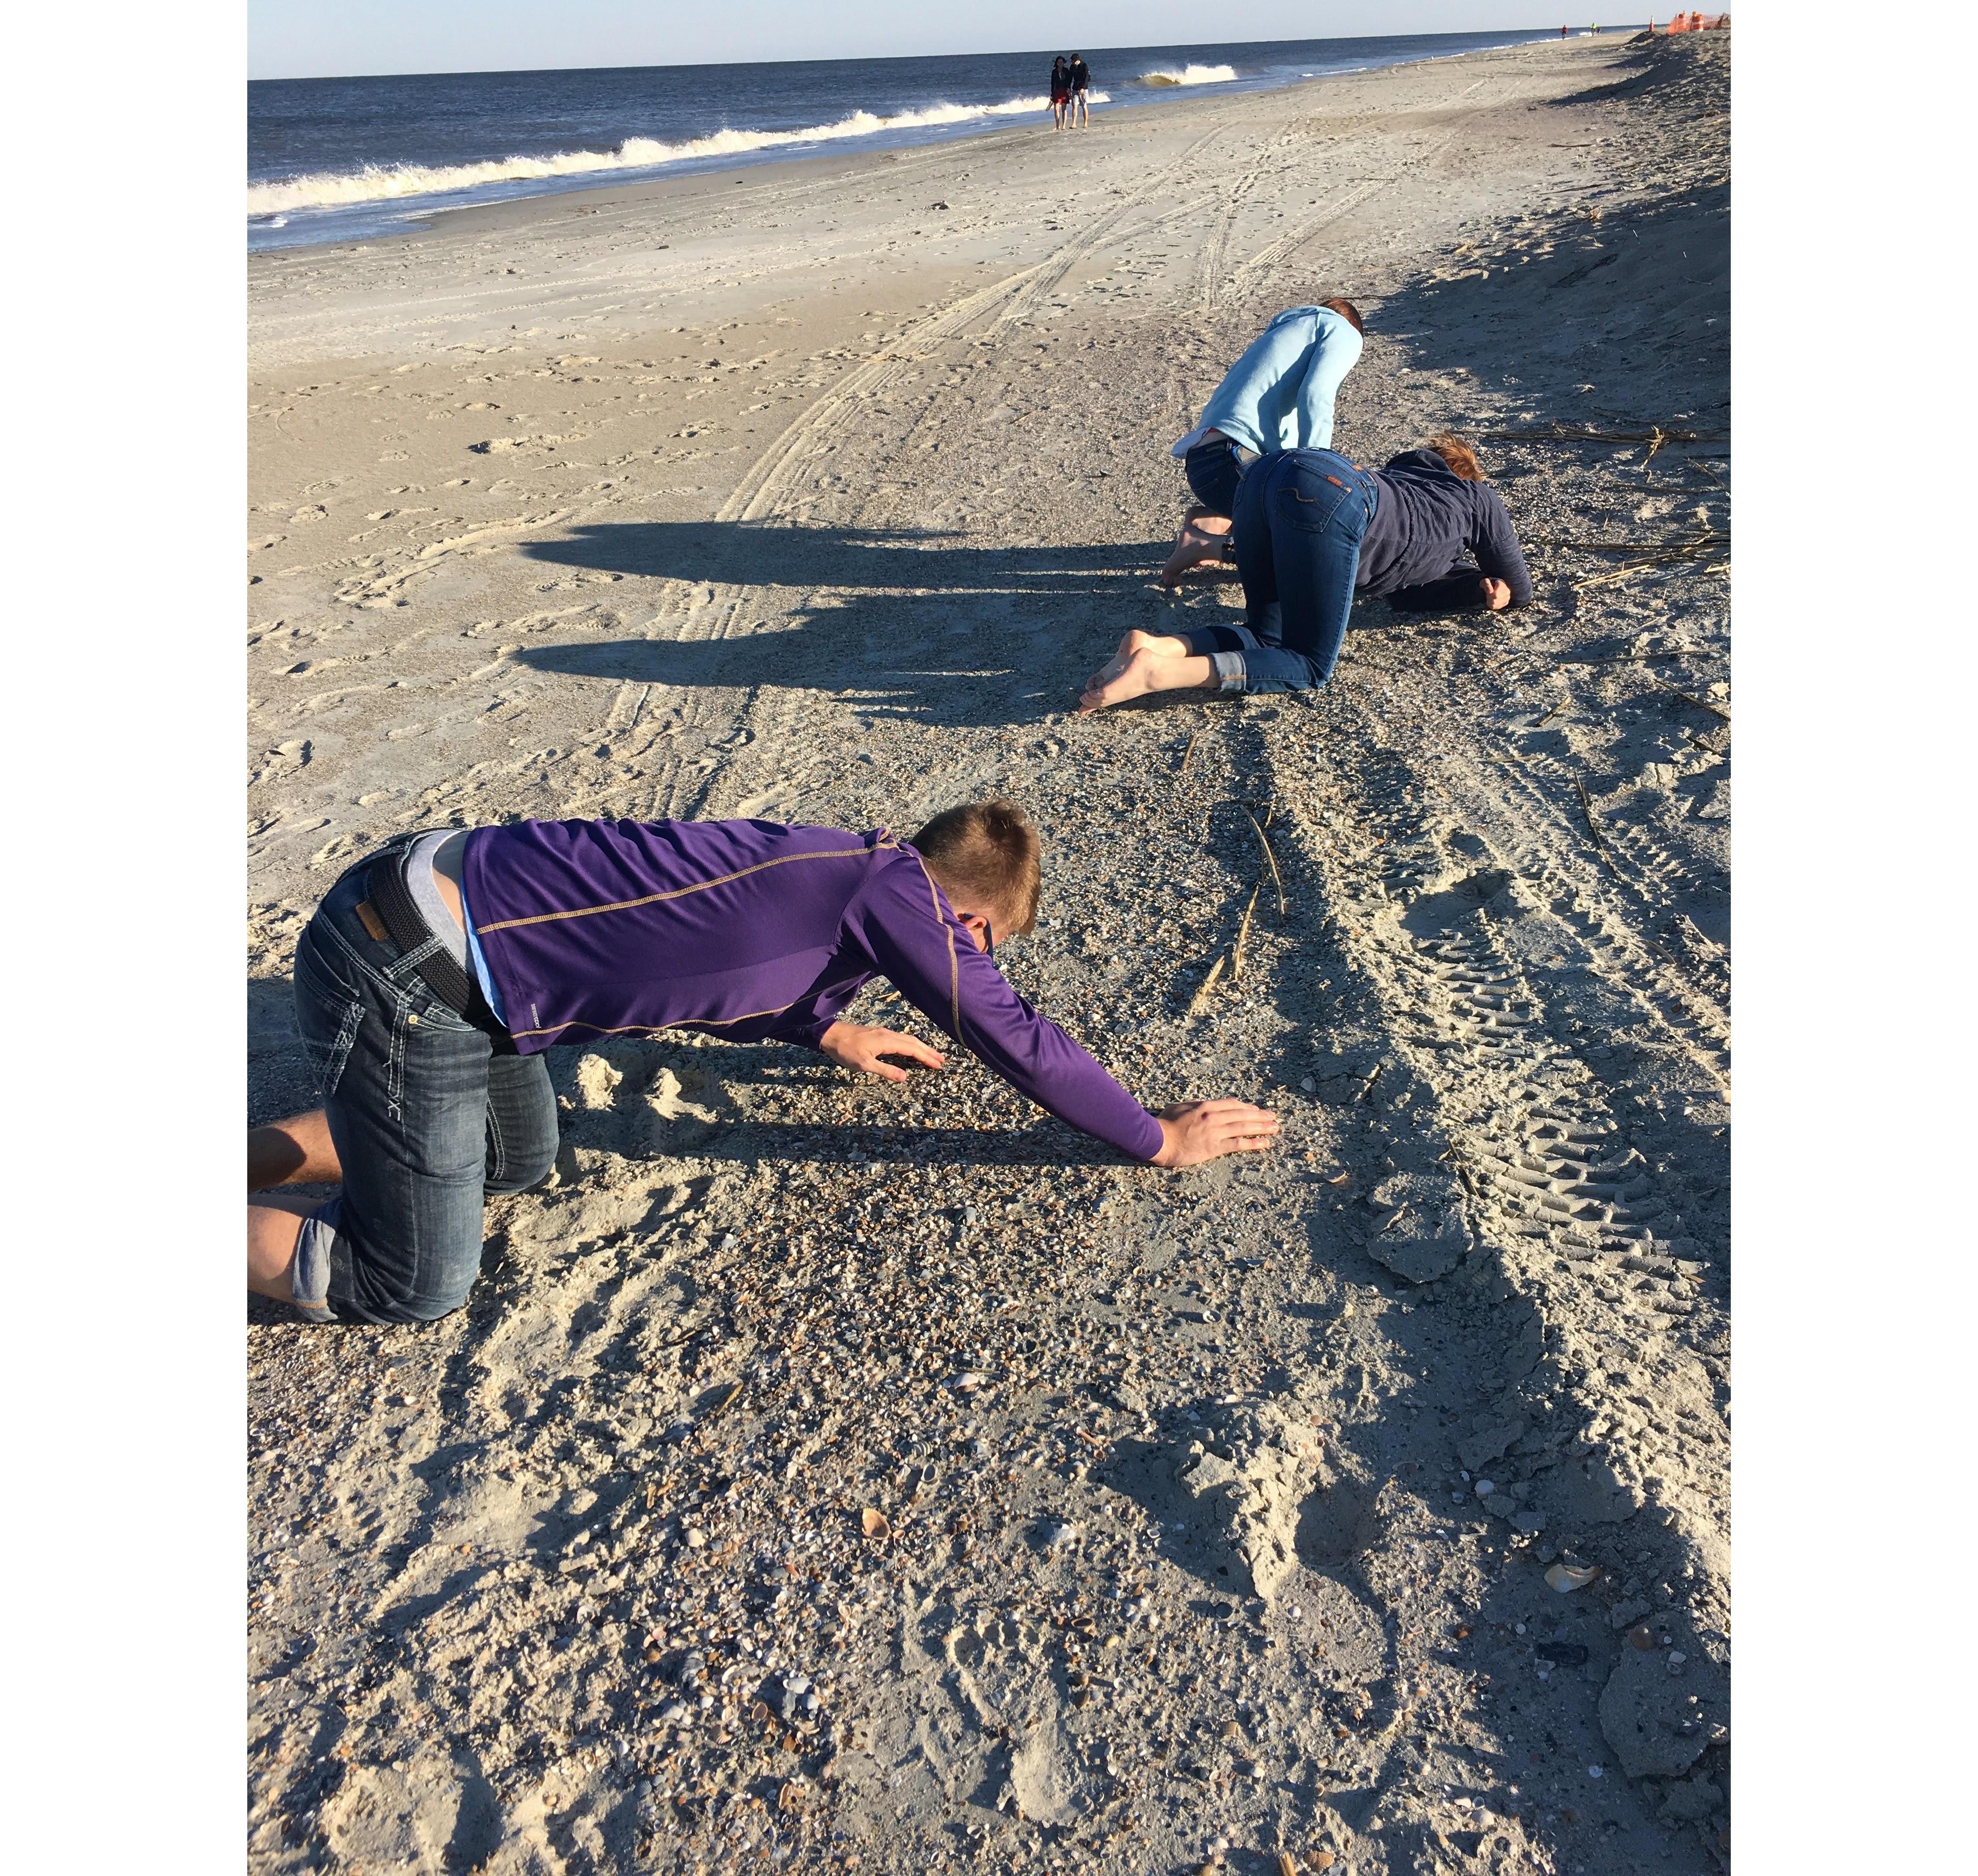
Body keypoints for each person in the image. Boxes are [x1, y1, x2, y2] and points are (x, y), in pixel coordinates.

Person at [248, 801, 1279, 1323]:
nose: (972, 961)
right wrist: (1156, 1137)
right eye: (982, 943)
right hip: (403, 966)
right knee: (415, 1284)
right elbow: (1017, 1038)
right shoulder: (907, 898)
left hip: (458, 951)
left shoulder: (841, 866)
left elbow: (716, 961)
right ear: (964, 914)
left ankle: (258, 1156)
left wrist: (824, 1029)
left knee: (516, 1161)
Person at [1078, 435, 1532, 710]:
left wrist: (1472, 587)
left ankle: (1158, 645)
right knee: (1309, 663)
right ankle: (1158, 673)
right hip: (1334, 494)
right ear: (1466, 478)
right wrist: (1496, 590)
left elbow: (1403, 591)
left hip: (1271, 473)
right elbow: (1522, 586)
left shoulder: (1405, 489)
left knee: (1266, 634)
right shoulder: (1477, 499)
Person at [1164, 299, 1366, 580]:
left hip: (1205, 464)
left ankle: (1213, 519)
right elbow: (1316, 395)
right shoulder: (1343, 332)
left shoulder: (1282, 336)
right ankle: (1206, 546)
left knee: (1279, 489)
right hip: (1232, 460)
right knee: (1303, 543)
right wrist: (1320, 471)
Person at [1069, 52, 1091, 128]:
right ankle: (1074, 123)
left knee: (1084, 106)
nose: (1072, 63)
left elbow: (1087, 78)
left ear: (1077, 60)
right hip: (1075, 88)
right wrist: (1068, 87)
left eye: (1073, 61)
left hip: (1083, 88)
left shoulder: (1084, 66)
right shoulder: (1072, 67)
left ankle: (1085, 123)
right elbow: (1070, 78)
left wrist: (1083, 88)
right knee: (1074, 106)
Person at [1049, 55, 1071, 130]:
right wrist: (1052, 94)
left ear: (1063, 63)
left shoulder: (1066, 71)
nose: (1060, 64)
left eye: (1062, 62)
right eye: (1059, 62)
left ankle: (1064, 126)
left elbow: (1069, 81)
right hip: (1057, 91)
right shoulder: (1054, 72)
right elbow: (1053, 83)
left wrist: (1069, 89)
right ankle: (1057, 125)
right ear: (1057, 63)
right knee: (1056, 109)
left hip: (1065, 91)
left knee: (1064, 109)